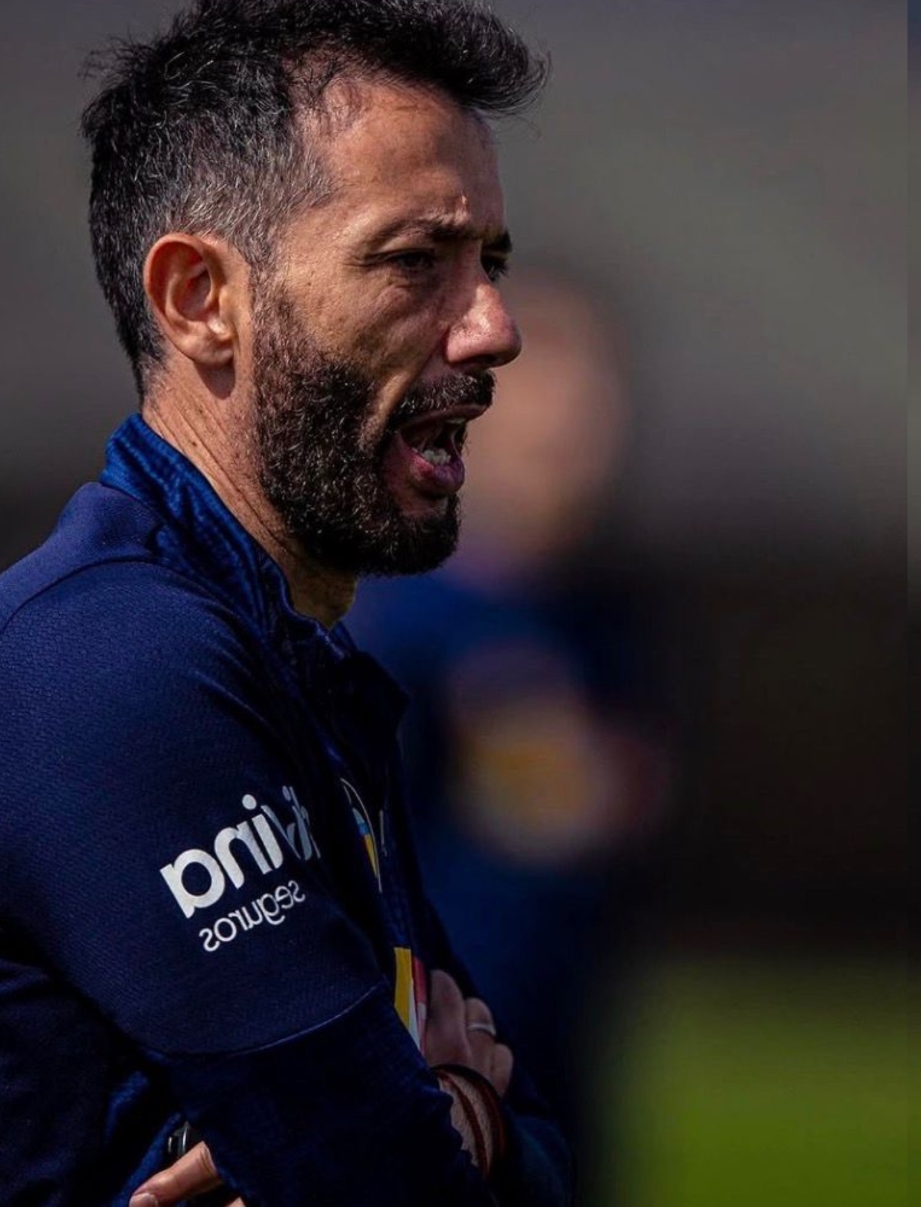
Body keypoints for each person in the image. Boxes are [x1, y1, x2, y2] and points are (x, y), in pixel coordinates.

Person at [0, 0, 572, 1204]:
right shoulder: (106, 662)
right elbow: (386, 1180)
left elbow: (526, 1155)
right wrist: (449, 1120)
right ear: (200, 299)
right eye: (414, 261)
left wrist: (463, 1121)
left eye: (488, 258)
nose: (494, 328)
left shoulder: (292, 657)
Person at [347, 266, 670, 1201]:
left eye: (595, 394)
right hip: (426, 1089)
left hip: (567, 1074)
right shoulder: (392, 623)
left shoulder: (613, 627)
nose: (572, 425)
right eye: (540, 391)